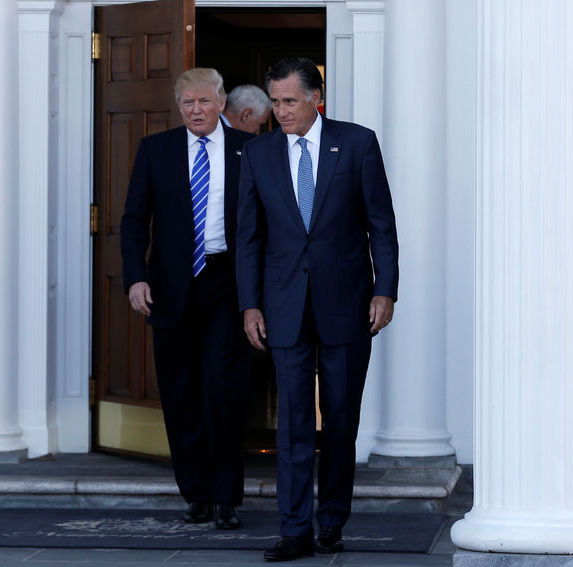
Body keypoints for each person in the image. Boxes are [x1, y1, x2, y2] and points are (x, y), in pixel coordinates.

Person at [235, 57, 399, 561]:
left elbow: (381, 226)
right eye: (275, 101)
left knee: (342, 419)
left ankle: (332, 521)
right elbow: (248, 238)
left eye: (288, 101)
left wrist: (385, 290)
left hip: (347, 304)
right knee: (293, 424)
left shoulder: (356, 143)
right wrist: (250, 306)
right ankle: (294, 529)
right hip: (283, 307)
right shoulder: (258, 153)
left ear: (315, 98)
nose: (279, 111)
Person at [121, 67, 253, 530]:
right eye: (187, 103)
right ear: (179, 107)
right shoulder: (156, 150)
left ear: (221, 103)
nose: (196, 110)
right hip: (170, 287)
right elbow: (135, 220)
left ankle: (226, 499)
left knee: (223, 392)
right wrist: (136, 278)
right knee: (180, 396)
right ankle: (195, 493)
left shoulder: (249, 150)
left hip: (227, 284)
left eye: (204, 101)